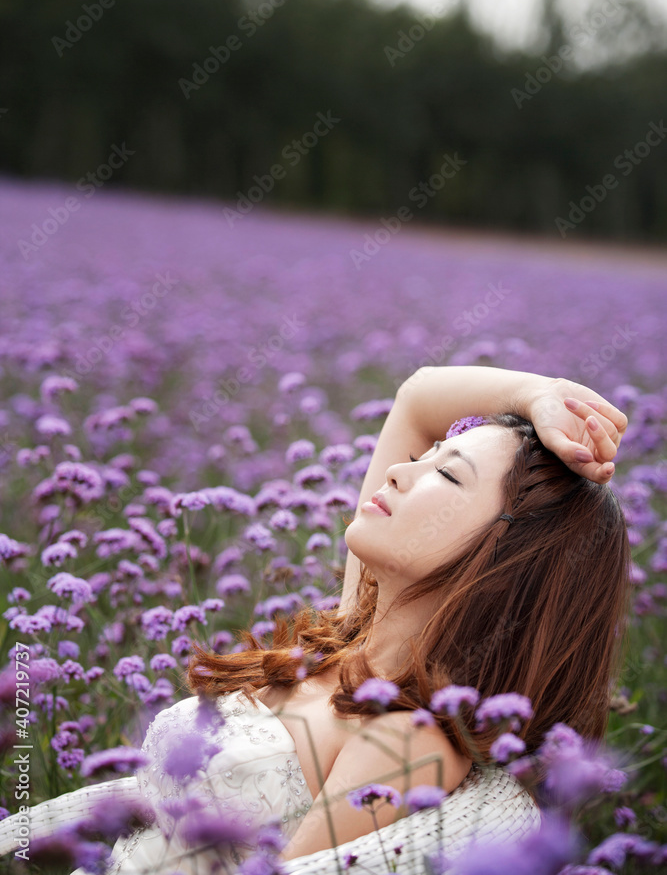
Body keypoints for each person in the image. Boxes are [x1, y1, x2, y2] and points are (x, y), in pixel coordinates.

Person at [82, 365, 631, 873]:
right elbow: (416, 399)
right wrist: (540, 396)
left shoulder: (405, 737)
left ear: (504, 561)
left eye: (447, 474)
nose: (396, 471)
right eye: (428, 453)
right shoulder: (347, 642)